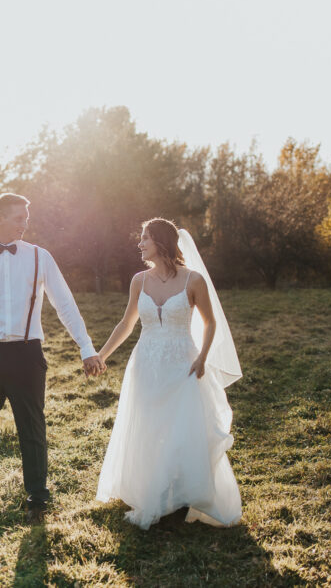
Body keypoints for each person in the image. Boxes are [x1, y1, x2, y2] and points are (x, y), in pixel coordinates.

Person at [0, 193, 105, 525]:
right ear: (0, 217)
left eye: (26, 218)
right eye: (19, 218)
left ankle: (38, 499)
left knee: (32, 429)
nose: (25, 224)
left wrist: (87, 347)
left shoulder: (40, 257)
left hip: (27, 354)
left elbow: (64, 303)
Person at [95, 218, 242, 529]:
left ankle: (184, 491)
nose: (139, 244)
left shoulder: (194, 281)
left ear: (161, 242)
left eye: (145, 238)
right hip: (146, 363)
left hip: (183, 364)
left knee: (182, 429)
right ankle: (152, 488)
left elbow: (211, 323)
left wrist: (202, 358)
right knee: (148, 426)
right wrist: (101, 355)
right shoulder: (139, 281)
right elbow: (126, 324)